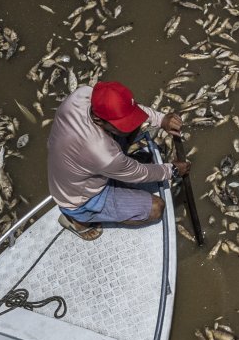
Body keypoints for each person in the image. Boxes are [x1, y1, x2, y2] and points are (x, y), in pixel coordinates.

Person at [46, 80, 190, 241]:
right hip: (81, 198)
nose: (130, 126)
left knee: (134, 125)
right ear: (99, 120)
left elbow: (129, 109)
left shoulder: (81, 95)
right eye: (122, 124)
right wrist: (173, 170)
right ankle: (79, 220)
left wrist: (161, 119)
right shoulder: (103, 154)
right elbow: (140, 173)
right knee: (156, 209)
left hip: (73, 167)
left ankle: (119, 171)